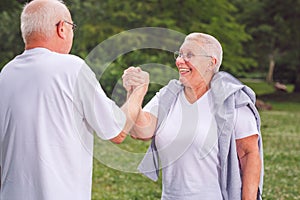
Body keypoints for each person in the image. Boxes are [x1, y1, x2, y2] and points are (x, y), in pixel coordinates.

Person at [0, 0, 147, 199]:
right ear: (62, 28)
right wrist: (138, 90)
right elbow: (117, 131)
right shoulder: (71, 68)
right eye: (72, 27)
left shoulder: (6, 73)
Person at [122, 33, 264, 200]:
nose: (180, 61)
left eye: (189, 55)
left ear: (212, 62)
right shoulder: (168, 96)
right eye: (180, 54)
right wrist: (135, 92)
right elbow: (140, 132)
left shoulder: (233, 101)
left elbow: (249, 154)